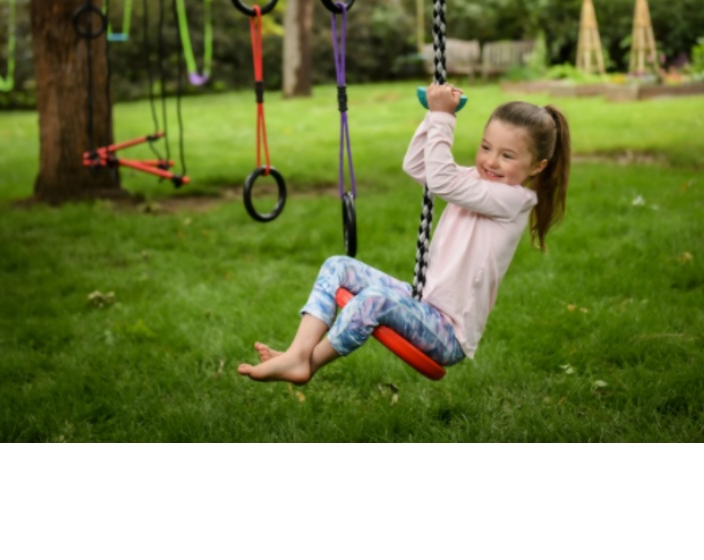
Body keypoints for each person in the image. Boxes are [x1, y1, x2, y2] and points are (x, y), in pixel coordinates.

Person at [238, 83, 571, 385]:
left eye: (507, 155)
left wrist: (444, 117)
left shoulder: (512, 200)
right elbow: (417, 165)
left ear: (537, 166)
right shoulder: (476, 180)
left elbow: (440, 180)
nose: (491, 161)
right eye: (486, 147)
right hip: (423, 305)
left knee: (373, 301)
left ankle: (307, 364)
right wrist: (432, 116)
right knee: (338, 266)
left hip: (447, 333)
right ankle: (298, 353)